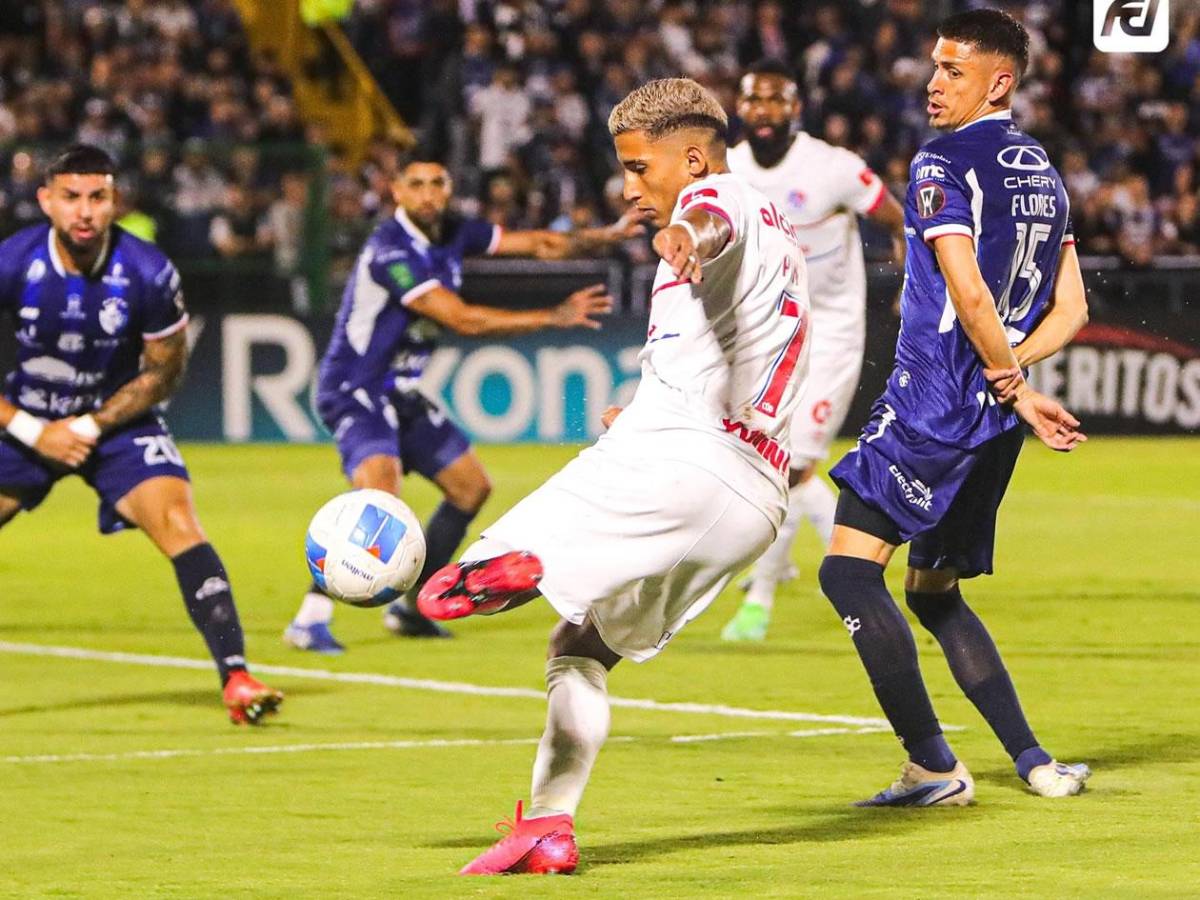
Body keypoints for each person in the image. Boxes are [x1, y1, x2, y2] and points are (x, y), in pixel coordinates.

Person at [416, 77, 812, 875]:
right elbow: (721, 344)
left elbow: (710, 219)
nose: (631, 188)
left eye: (639, 167)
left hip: (680, 459)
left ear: (694, 158)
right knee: (582, 648)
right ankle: (548, 827)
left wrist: (685, 234)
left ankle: (516, 565)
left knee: (446, 586)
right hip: (751, 498)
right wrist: (637, 408)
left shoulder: (717, 205)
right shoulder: (780, 229)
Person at [816, 9, 1091, 806]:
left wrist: (1007, 381)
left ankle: (933, 766)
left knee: (846, 574)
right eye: (932, 68)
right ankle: (1035, 762)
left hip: (932, 403)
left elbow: (968, 290)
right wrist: (1016, 381)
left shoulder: (943, 161)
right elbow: (1069, 310)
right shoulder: (1044, 171)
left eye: (952, 71)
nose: (932, 84)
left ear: (998, 81)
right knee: (934, 592)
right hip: (993, 425)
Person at [283, 157, 637, 653]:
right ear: (397, 192)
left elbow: (539, 242)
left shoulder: (455, 232)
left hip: (400, 391)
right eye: (417, 185)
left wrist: (609, 235)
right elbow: (462, 319)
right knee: (382, 501)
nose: (428, 194)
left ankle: (410, 606)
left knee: (471, 488)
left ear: (448, 190)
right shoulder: (391, 249)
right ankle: (309, 619)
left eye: (438, 184)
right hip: (356, 386)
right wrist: (552, 315)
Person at [0, 144, 282, 725]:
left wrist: (88, 424)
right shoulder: (13, 261)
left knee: (179, 521)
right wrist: (35, 430)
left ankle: (236, 676)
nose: (84, 212)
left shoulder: (148, 272)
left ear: (115, 202)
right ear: (46, 200)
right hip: (25, 418)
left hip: (116, 423)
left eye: (97, 198)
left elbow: (165, 371)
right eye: (71, 197)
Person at [722, 59, 907, 641]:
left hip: (830, 334)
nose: (765, 111)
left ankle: (760, 600)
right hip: (765, 333)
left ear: (795, 106)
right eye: (755, 100)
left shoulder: (833, 169)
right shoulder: (729, 171)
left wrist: (914, 291)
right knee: (767, 463)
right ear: (741, 108)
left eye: (777, 101)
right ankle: (849, 557)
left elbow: (898, 221)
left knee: (793, 464)